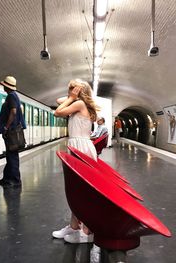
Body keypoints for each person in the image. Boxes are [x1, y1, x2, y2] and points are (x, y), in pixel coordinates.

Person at [52, 79, 99, 244]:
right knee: (76, 190)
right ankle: (74, 226)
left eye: (72, 89)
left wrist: (72, 97)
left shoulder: (79, 104)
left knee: (81, 192)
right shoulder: (80, 103)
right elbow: (58, 101)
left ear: (79, 92)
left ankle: (87, 231)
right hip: (79, 146)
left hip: (80, 148)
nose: (69, 92)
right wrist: (71, 95)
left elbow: (57, 112)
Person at [0, 76, 26, 188]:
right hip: (12, 129)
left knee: (12, 155)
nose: (3, 86)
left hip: (11, 130)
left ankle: (16, 180)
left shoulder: (12, 96)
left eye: (4, 85)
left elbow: (13, 112)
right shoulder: (12, 96)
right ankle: (7, 178)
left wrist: (6, 127)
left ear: (7, 86)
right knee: (10, 155)